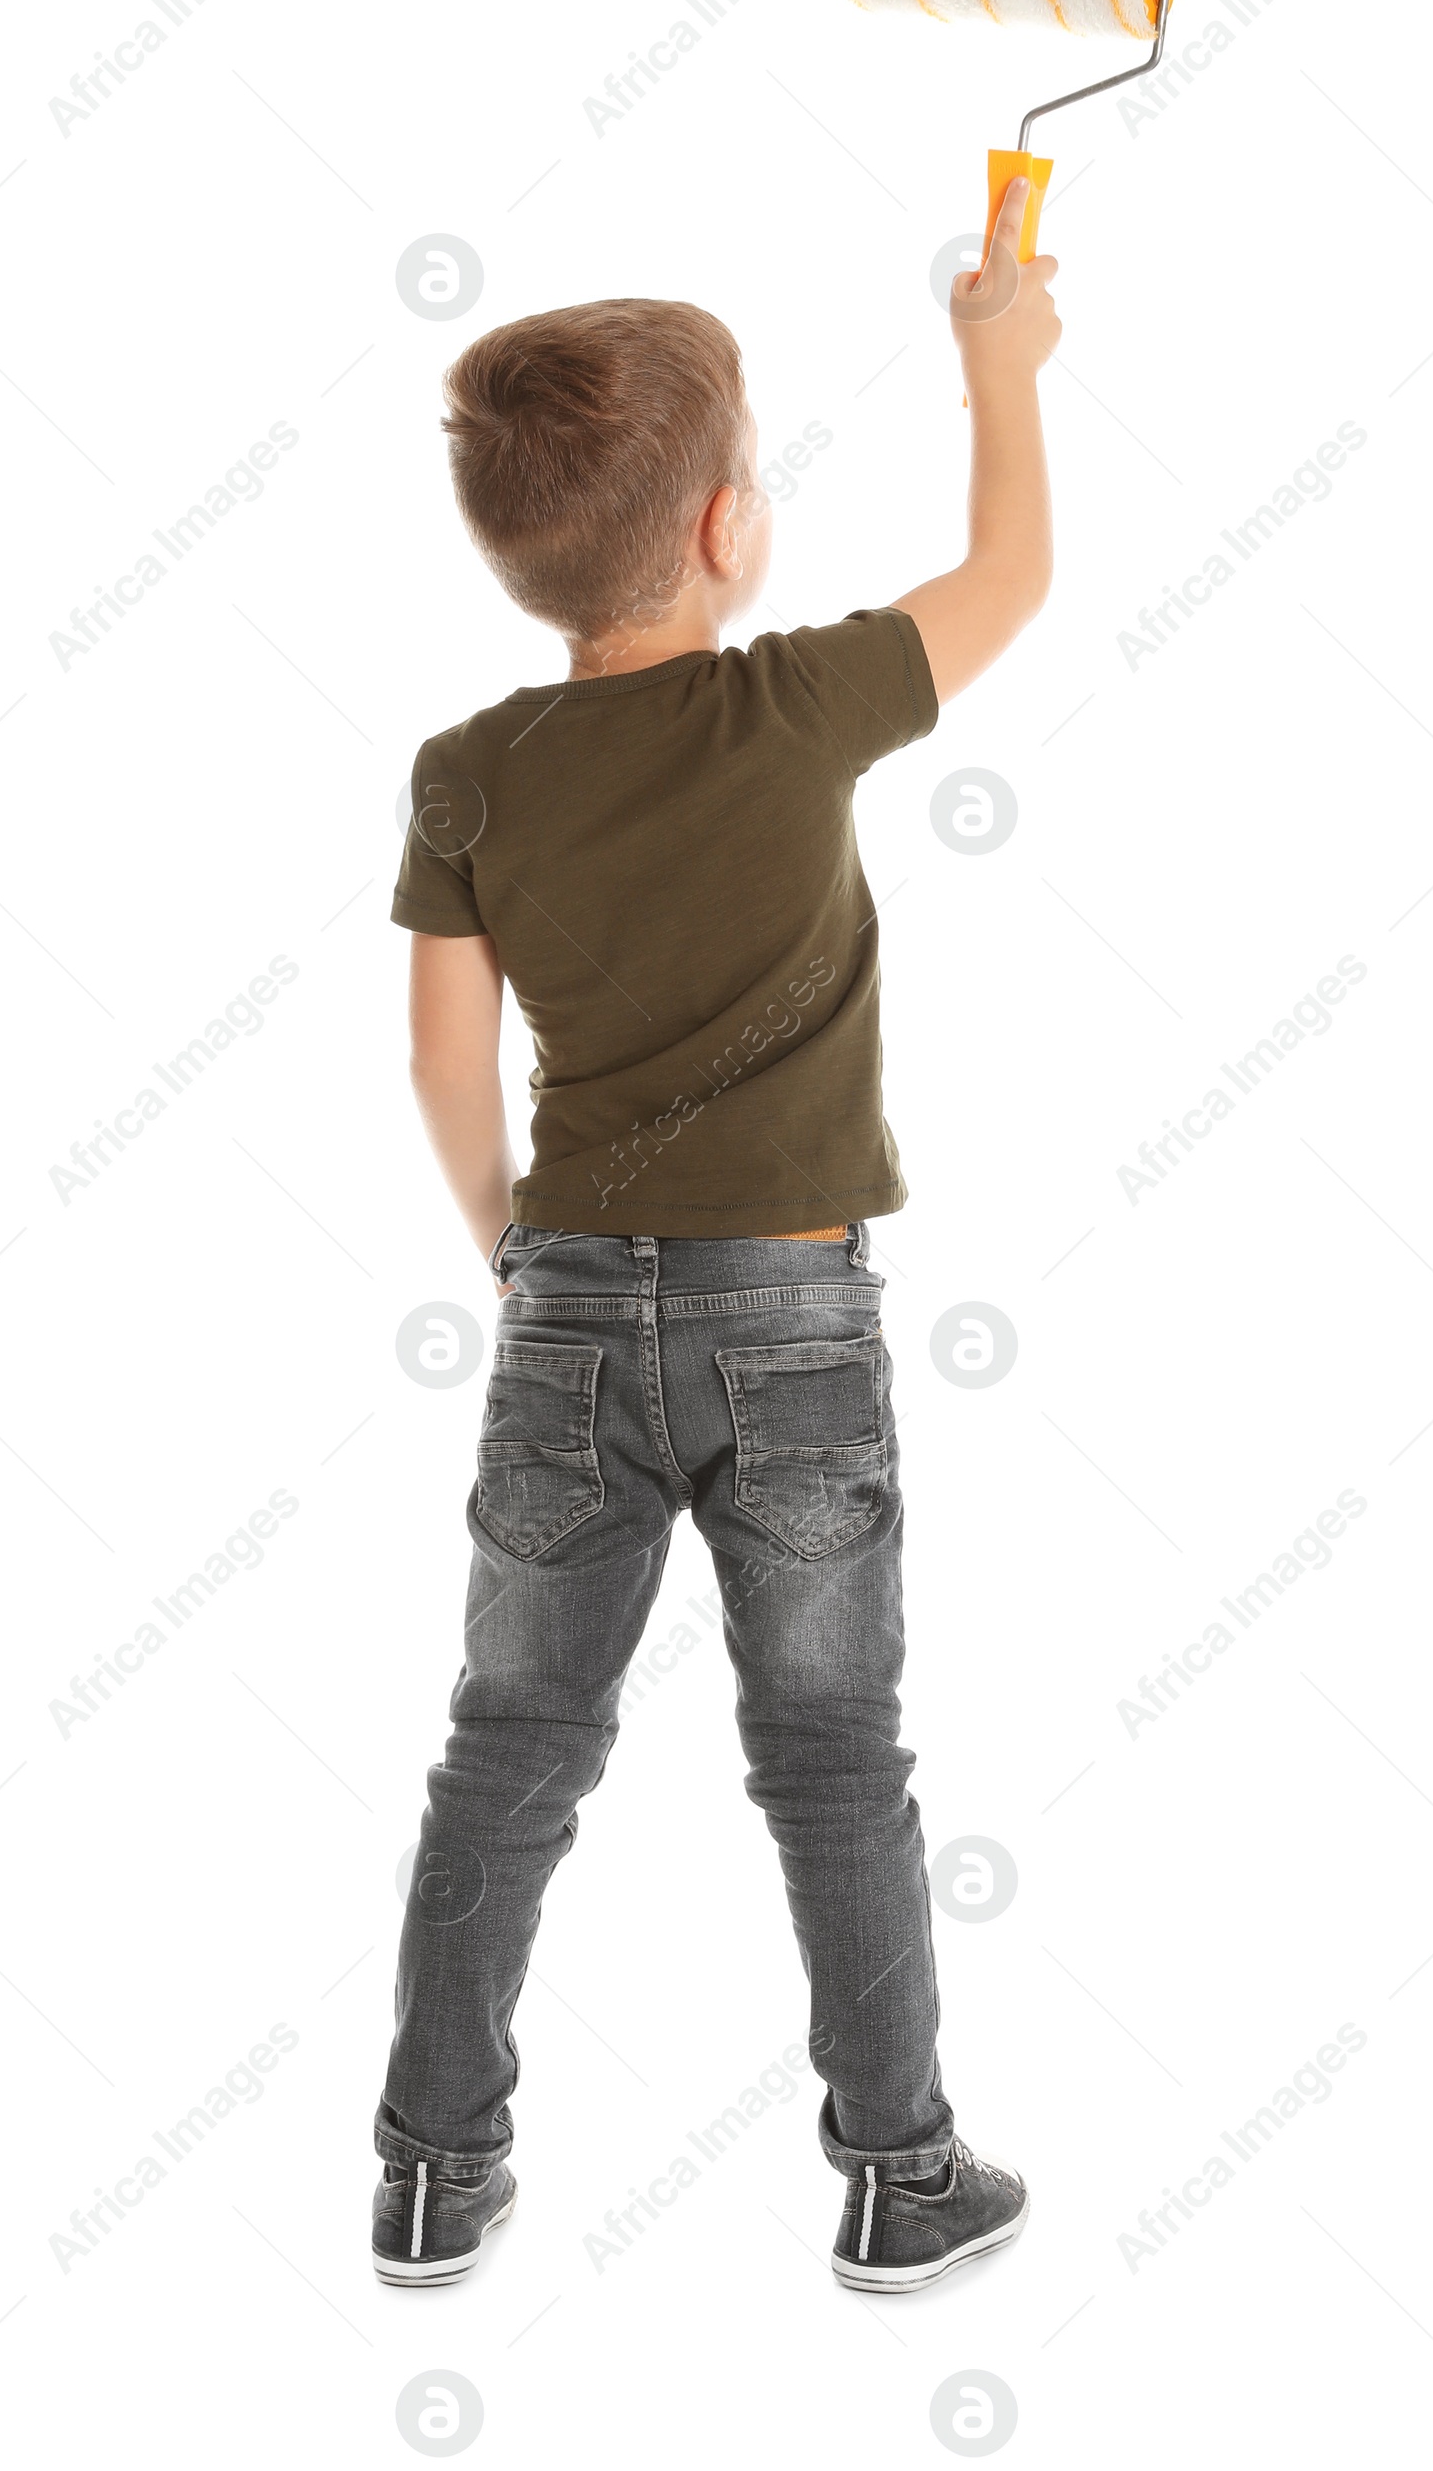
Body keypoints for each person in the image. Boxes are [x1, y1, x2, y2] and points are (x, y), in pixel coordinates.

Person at [372, 175, 1058, 2293]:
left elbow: (438, 1069)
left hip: (567, 1314)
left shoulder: (468, 769)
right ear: (719, 533)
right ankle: (895, 2172)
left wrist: (523, 1255)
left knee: (509, 1749)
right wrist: (997, 365)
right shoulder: (799, 706)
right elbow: (1012, 571)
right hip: (792, 1322)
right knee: (832, 1757)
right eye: (749, 472)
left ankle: (424, 2169)